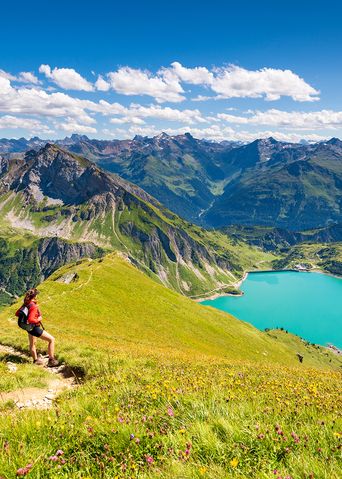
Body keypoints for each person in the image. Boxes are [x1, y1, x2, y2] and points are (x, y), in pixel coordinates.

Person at [16, 288, 59, 367]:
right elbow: (31, 319)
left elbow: (17, 313)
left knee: (32, 344)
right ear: (35, 296)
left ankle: (35, 360)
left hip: (28, 327)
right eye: (37, 295)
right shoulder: (33, 306)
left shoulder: (26, 303)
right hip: (34, 327)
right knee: (51, 339)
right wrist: (38, 319)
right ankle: (51, 360)